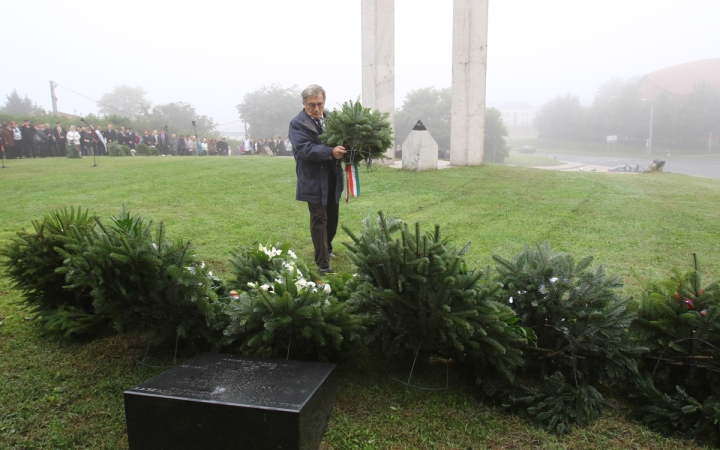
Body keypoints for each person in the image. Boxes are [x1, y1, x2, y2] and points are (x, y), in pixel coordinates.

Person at [288, 84, 346, 274]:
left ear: (324, 102)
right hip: (313, 179)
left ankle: (327, 249)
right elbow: (306, 150)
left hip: (332, 177)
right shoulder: (297, 124)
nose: (316, 108)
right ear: (304, 103)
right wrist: (331, 151)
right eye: (311, 104)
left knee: (332, 217)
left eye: (319, 104)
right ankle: (323, 263)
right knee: (319, 218)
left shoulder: (331, 120)